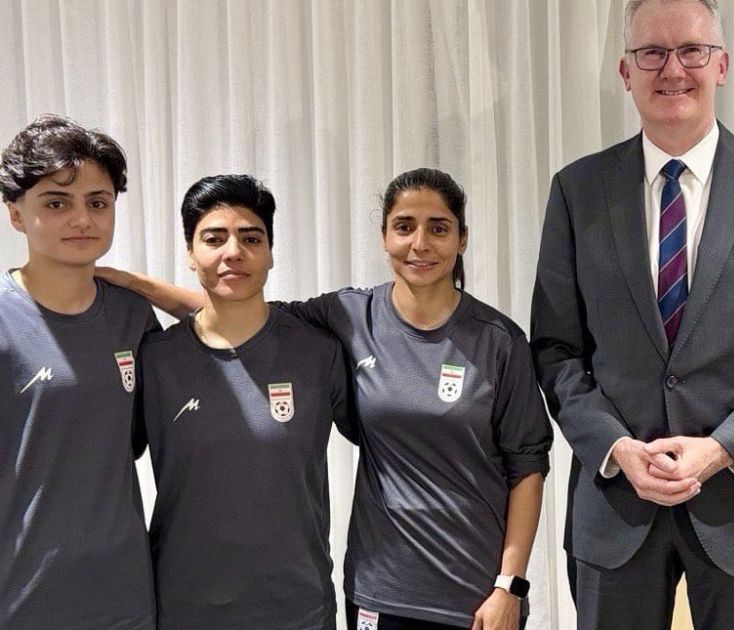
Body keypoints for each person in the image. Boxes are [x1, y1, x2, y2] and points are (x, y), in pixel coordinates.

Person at [105, 167, 551, 630]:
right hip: (377, 589)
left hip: (472, 593)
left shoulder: (497, 340)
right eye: (404, 227)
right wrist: (136, 286)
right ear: (383, 237)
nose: (420, 244)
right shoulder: (347, 316)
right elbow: (237, 309)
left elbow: (528, 466)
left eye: (438, 228)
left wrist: (510, 584)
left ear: (462, 239)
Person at [530, 1, 734, 627]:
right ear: (626, 71)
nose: (672, 69)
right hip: (616, 510)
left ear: (721, 64)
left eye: (691, 51)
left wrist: (723, 448)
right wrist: (616, 446)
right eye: (651, 52)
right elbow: (556, 351)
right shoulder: (577, 192)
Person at [138, 174, 355, 629]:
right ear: (190, 252)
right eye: (214, 238)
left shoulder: (319, 352)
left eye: (251, 237)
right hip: (183, 607)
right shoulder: (155, 358)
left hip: (296, 608)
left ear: (271, 252)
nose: (232, 252)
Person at [0, 114, 157, 629]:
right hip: (21, 595)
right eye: (56, 203)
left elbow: (234, 324)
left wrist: (147, 288)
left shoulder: (132, 316)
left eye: (98, 202)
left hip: (124, 594)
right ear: (15, 214)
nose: (82, 219)